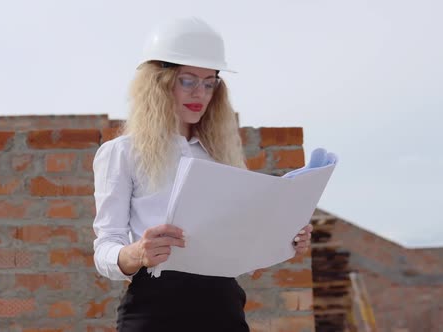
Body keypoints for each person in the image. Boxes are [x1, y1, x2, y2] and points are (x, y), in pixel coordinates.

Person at [92, 17, 313, 332]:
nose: (200, 93)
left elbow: (242, 244)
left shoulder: (220, 155)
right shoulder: (122, 152)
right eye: (188, 80)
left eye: (210, 82)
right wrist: (136, 252)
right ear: (159, 81)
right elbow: (105, 249)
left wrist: (286, 238)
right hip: (155, 310)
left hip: (223, 307)